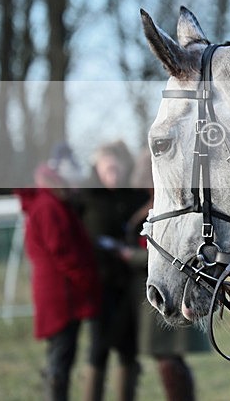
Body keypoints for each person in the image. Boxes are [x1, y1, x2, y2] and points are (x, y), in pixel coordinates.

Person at [116, 149, 207, 401]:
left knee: (168, 358)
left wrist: (130, 256)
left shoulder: (166, 205)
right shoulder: (152, 201)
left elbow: (165, 253)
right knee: (166, 358)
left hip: (168, 287)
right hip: (155, 289)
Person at [16, 163, 101, 401]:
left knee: (60, 354)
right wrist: (86, 279)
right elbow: (63, 251)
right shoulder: (49, 207)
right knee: (61, 356)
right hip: (62, 294)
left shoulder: (47, 205)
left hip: (58, 291)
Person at [79, 141, 150, 401]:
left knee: (128, 350)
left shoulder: (135, 197)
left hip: (130, 283)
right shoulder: (87, 198)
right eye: (106, 168)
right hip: (99, 284)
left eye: (116, 168)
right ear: (97, 169)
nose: (112, 174)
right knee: (98, 348)